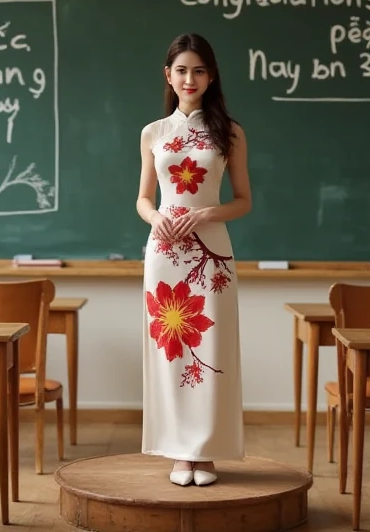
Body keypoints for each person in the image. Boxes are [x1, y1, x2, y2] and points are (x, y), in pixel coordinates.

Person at [135, 33, 252, 487]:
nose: (190, 78)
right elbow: (144, 199)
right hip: (164, 253)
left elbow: (243, 200)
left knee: (210, 347)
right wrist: (155, 218)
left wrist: (207, 213)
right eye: (181, 70)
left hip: (212, 253)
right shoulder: (154, 132)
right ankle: (180, 451)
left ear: (211, 75)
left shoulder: (230, 132)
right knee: (172, 348)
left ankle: (207, 452)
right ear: (169, 75)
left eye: (199, 70)